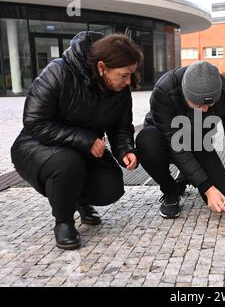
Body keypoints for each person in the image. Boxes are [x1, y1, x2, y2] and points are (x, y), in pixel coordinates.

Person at [10, 31, 142, 250]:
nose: (128, 81)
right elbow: (35, 122)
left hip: (81, 149)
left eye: (131, 74)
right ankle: (64, 221)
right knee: (67, 163)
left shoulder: (120, 90)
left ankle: (81, 201)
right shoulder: (58, 72)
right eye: (123, 75)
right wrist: (85, 139)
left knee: (110, 186)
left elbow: (121, 129)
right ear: (102, 67)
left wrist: (125, 149)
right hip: (36, 146)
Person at [136, 61, 225, 219]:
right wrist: (207, 188)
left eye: (210, 104)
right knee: (147, 141)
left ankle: (186, 175)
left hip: (198, 141)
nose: (205, 110)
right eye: (198, 104)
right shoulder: (164, 89)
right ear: (185, 94)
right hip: (164, 140)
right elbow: (176, 146)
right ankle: (170, 190)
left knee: (223, 194)